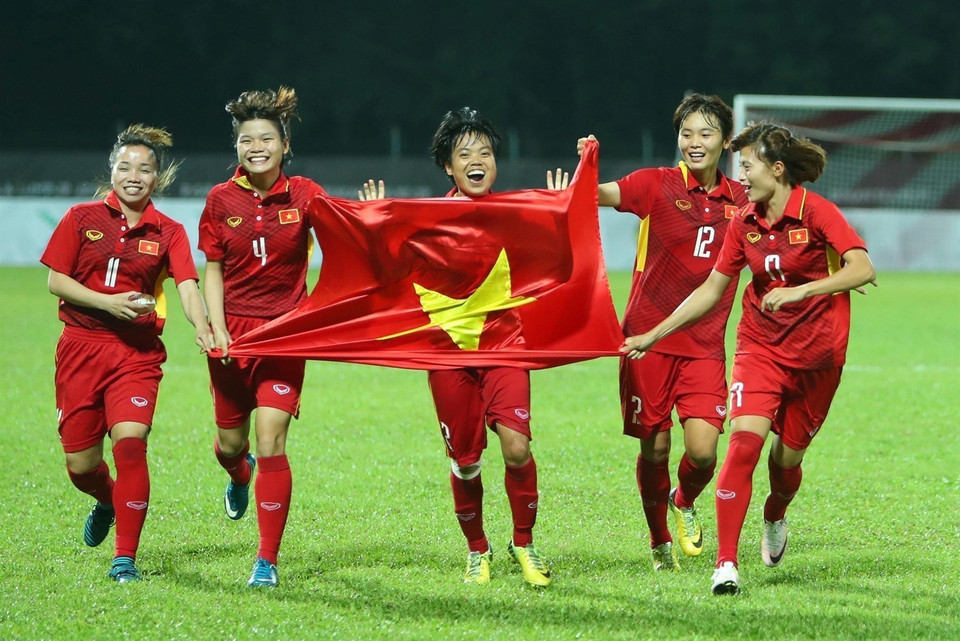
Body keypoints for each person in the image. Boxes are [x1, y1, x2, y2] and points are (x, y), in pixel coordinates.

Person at [622, 122, 876, 595]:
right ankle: (726, 564)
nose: (741, 175)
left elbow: (862, 265)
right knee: (742, 445)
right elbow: (713, 289)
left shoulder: (816, 212)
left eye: (748, 165)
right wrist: (655, 333)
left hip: (819, 358)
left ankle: (775, 512)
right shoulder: (744, 221)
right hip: (760, 348)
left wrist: (807, 289)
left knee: (786, 460)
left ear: (776, 170)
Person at [557, 94, 748, 571]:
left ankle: (683, 500)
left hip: (704, 347)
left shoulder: (742, 200)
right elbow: (593, 196)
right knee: (656, 446)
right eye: (686, 133)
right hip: (646, 342)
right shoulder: (655, 185)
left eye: (706, 133)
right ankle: (659, 539)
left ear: (726, 141)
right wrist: (584, 166)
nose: (694, 142)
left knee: (703, 453)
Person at [41, 124, 214, 583]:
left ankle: (125, 560)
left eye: (144, 168)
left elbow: (189, 287)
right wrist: (108, 302)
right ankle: (106, 499)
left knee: (132, 443)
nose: (133, 175)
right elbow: (56, 281)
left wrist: (204, 328)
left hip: (136, 355)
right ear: (112, 171)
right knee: (81, 466)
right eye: (124, 166)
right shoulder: (81, 217)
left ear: (158, 177)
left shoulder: (170, 231)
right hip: (80, 349)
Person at [198, 87, 327, 588]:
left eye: (266, 138)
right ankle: (238, 472)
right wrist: (217, 325)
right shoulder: (219, 198)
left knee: (271, 439)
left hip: (284, 334)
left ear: (284, 144)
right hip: (232, 337)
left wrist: (374, 212)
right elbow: (212, 268)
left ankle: (267, 560)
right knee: (231, 444)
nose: (257, 146)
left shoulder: (307, 194)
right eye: (247, 139)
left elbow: (350, 233)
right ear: (237, 147)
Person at [426, 107, 552, 587]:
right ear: (449, 167)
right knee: (466, 461)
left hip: (505, 346)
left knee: (517, 448)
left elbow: (562, 250)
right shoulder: (428, 220)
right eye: (465, 154)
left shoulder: (513, 215)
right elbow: (389, 268)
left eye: (485, 152)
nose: (477, 160)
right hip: (448, 354)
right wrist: (375, 219)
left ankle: (525, 543)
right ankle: (478, 549)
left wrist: (567, 204)